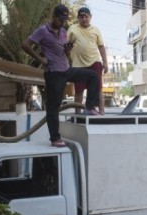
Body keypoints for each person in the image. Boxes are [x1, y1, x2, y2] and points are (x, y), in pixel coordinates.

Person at [21, 4, 100, 148]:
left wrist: (68, 51)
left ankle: (89, 107)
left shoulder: (63, 32)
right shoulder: (42, 31)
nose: (61, 23)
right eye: (59, 20)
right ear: (54, 17)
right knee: (54, 106)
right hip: (54, 73)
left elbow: (65, 54)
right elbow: (25, 44)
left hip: (66, 70)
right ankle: (55, 138)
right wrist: (41, 59)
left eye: (64, 20)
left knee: (93, 75)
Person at [67, 7, 108, 115]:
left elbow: (101, 47)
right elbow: (65, 45)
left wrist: (105, 63)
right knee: (79, 90)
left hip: (95, 62)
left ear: (90, 17)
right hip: (78, 64)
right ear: (78, 18)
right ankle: (77, 114)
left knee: (98, 88)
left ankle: (102, 112)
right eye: (81, 17)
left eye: (86, 16)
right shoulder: (72, 28)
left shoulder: (96, 29)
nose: (84, 19)